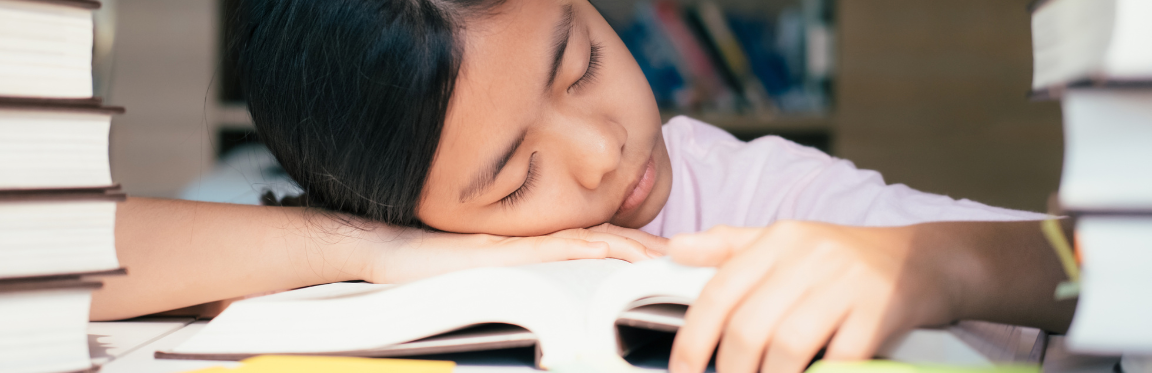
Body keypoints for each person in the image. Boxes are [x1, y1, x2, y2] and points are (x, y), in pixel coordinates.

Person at [96, 0, 1077, 372]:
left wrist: (932, 263)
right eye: (515, 176)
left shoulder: (745, 184)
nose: (603, 149)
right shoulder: (376, 233)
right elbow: (43, 259)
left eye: (581, 59)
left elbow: (1095, 269)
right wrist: (375, 249)